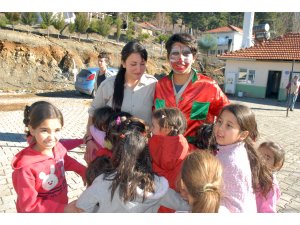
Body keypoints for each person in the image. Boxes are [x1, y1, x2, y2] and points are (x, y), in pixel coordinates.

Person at [65, 118, 190, 213]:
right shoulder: (158, 186)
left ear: (117, 153)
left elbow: (82, 206)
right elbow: (185, 205)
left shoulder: (103, 181)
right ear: (147, 154)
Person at [84, 40, 157, 163]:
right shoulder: (108, 85)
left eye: (142, 64)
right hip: (112, 152)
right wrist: (89, 141)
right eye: (133, 64)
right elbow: (93, 114)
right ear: (123, 63)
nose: (139, 69)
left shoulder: (153, 85)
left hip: (143, 153)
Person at [153, 33, 229, 147]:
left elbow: (229, 116)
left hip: (195, 155)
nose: (180, 59)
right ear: (168, 57)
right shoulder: (160, 85)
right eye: (175, 53)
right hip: (163, 152)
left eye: (186, 53)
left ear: (194, 58)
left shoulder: (209, 87)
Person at [12, 101, 87, 213]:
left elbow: (65, 160)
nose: (52, 137)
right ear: (31, 129)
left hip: (60, 206)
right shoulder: (26, 168)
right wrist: (64, 209)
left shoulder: (57, 148)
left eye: (57, 130)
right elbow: (28, 207)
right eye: (44, 130)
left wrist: (84, 171)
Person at [213, 103, 273, 213]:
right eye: (219, 121)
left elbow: (234, 206)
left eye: (229, 125)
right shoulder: (233, 148)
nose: (220, 128)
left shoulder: (230, 161)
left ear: (243, 135)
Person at [149, 107, 189, 213]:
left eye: (153, 126)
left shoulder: (156, 142)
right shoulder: (182, 141)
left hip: (158, 188)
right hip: (174, 189)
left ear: (166, 128)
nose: (150, 128)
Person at [256, 141, 285, 213]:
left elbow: (269, 210)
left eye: (267, 157)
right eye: (258, 154)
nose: (260, 159)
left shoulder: (270, 185)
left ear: (276, 164)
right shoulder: (252, 172)